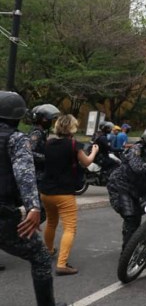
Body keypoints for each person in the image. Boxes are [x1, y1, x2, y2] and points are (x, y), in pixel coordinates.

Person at [0, 91, 67, 306]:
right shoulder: (17, 138)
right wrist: (33, 207)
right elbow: (24, 174)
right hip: (4, 212)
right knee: (40, 257)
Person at [40, 115, 99, 276]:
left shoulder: (49, 143)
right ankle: (62, 264)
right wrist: (94, 151)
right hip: (64, 192)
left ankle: (49, 251)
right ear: (72, 127)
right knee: (69, 228)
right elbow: (86, 163)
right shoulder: (74, 145)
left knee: (51, 222)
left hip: (46, 191)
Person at [107, 127, 146, 250]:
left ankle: (144, 242)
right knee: (131, 217)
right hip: (123, 185)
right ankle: (127, 252)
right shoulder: (136, 150)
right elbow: (138, 167)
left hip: (142, 188)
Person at [28, 104, 61, 184]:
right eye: (48, 119)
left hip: (40, 172)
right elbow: (29, 152)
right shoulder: (36, 133)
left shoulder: (41, 132)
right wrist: (46, 157)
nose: (50, 122)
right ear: (42, 119)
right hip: (36, 174)